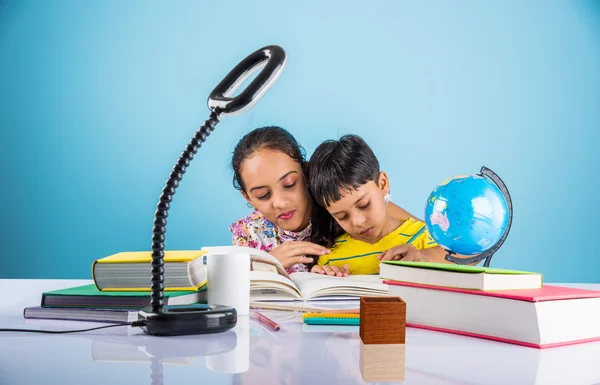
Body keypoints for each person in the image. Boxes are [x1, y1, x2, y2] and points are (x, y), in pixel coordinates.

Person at [229, 126, 421, 274]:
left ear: (306, 174)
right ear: (248, 197)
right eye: (263, 195)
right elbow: (232, 290)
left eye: (289, 184)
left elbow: (434, 239)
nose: (279, 202)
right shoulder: (249, 234)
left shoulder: (339, 202)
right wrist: (268, 264)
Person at [308, 134, 450, 276]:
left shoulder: (425, 238)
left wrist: (423, 258)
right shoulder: (329, 257)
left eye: (364, 205)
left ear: (382, 184)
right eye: (342, 216)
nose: (358, 221)